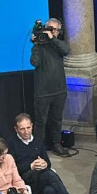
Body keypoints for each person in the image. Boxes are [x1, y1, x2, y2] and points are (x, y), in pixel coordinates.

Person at [7, 113, 84, 194]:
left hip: (41, 178)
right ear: (16, 129)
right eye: (22, 129)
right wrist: (30, 166)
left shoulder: (37, 140)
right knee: (48, 174)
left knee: (51, 191)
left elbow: (48, 162)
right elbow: (12, 168)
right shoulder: (11, 144)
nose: (26, 131)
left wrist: (44, 163)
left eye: (28, 128)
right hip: (24, 181)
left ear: (32, 126)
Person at [30, 17, 71, 155]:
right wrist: (35, 44)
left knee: (57, 120)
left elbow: (66, 50)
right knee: (40, 122)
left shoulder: (58, 44)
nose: (51, 32)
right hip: (42, 92)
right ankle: (38, 148)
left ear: (58, 32)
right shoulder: (40, 45)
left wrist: (52, 39)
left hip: (59, 90)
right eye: (49, 29)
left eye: (54, 30)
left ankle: (56, 144)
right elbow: (34, 62)